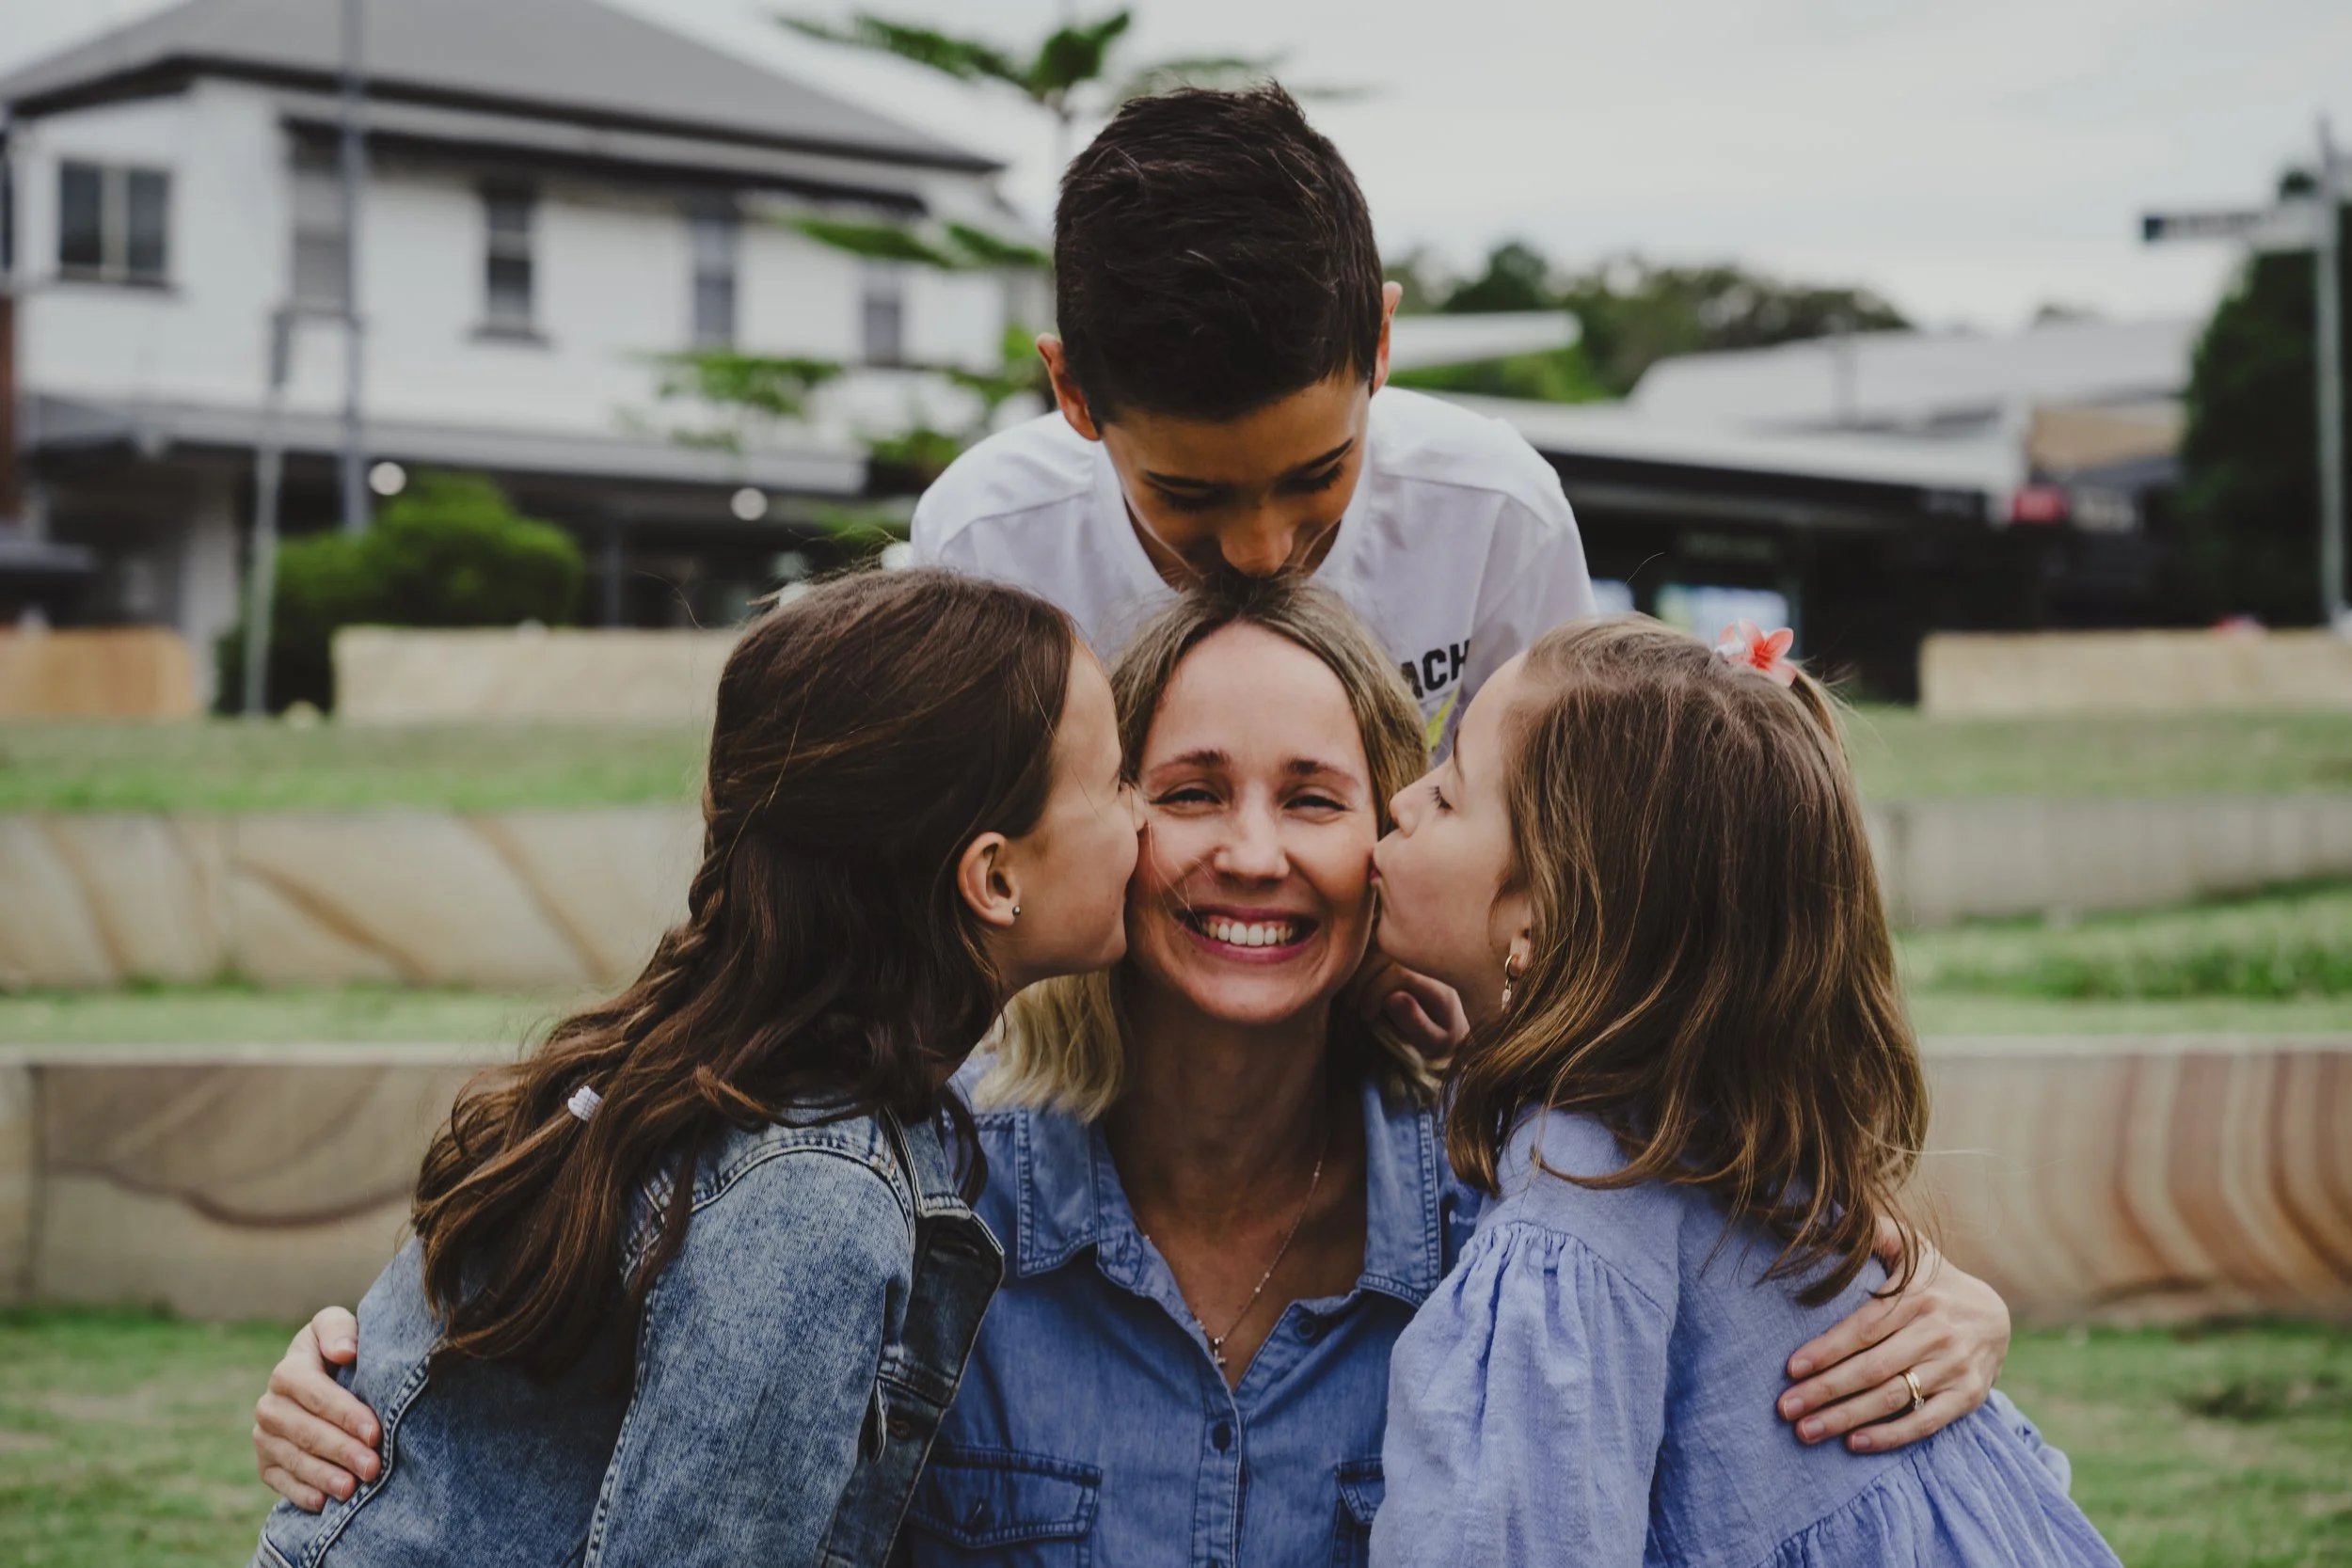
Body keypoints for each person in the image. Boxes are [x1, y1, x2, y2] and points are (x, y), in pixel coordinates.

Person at [251, 583, 2017, 1563]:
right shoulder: (933, 1224)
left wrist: (1938, 1287)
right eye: (1179, 789)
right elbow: (640, 1329)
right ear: (1023, 855)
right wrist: (382, 1381)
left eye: (1318, 796)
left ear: (1402, 850)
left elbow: (1717, 1228)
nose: (1252, 851)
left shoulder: (1509, 1229)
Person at [246, 569, 1141, 1568]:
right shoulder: (812, 1190)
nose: (1142, 815)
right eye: (1114, 781)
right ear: (995, 876)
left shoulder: (693, 1062)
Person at [1366, 617, 2119, 1566]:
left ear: (1543, 910)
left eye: (1445, 792)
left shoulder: (1573, 1210)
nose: (1397, 801)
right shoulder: (1712, 1127)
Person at [912, 84, 1595, 754]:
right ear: (1074, 394)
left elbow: (1560, 829)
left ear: (1380, 344)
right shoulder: (984, 548)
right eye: (1189, 494)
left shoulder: (1498, 518)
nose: (1260, 552)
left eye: (1319, 474)